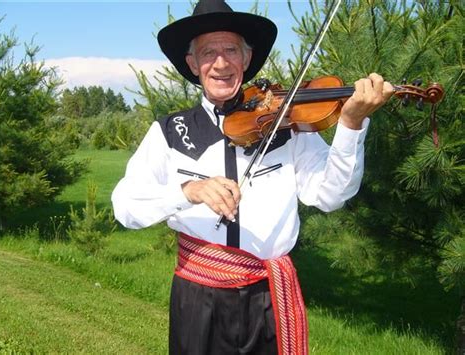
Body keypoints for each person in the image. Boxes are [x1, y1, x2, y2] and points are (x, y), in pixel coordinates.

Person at [112, 0, 394, 354]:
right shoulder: (170, 131)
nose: (220, 62)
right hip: (200, 298)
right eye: (207, 52)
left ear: (246, 59)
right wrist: (188, 190)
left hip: (268, 296)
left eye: (230, 49)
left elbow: (330, 194)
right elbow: (125, 207)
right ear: (192, 64)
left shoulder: (286, 123)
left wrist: (351, 125)